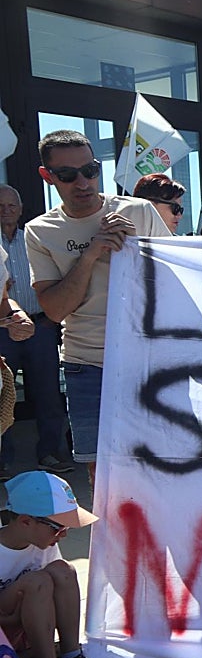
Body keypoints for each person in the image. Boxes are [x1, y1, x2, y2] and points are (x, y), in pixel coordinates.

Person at [25, 130, 170, 481]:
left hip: (150, 360)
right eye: (67, 174)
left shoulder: (140, 212)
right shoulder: (40, 231)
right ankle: (115, 537)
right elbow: (55, 310)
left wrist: (137, 248)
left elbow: (173, 284)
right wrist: (90, 254)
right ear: (48, 177)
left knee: (166, 467)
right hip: (87, 365)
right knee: (103, 475)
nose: (83, 182)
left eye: (90, 170)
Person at [0, 471, 114, 658]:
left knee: (63, 570)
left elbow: (51, 590)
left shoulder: (43, 542)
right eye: (59, 527)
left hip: (30, 627)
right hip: (4, 635)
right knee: (37, 580)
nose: (64, 534)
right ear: (25, 522)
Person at [0, 185, 70, 479]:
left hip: (40, 326)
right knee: (2, 394)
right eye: (0, 205)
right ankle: (2, 460)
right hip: (4, 327)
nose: (6, 211)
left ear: (21, 207)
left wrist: (52, 318)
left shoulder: (35, 237)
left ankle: (50, 453)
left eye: (11, 205)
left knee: (48, 394)